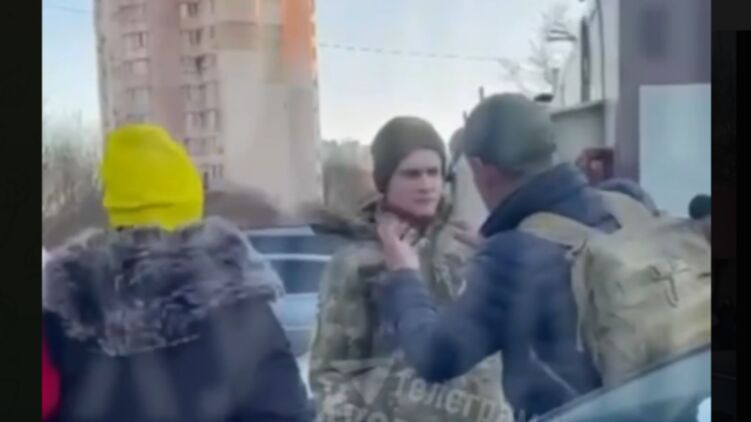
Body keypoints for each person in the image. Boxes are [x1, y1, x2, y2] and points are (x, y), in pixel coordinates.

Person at [373, 94, 657, 418]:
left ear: (481, 168)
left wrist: (404, 274)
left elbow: (434, 356)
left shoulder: (512, 256)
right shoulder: (628, 203)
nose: (426, 185)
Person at [42, 124, 311, 422]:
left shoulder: (66, 314)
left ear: (115, 211)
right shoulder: (243, 311)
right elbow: (282, 411)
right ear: (192, 207)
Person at [309, 117, 510, 422]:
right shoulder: (358, 264)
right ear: (385, 181)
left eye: (433, 172)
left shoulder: (466, 247)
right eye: (412, 174)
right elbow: (331, 372)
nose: (426, 185)